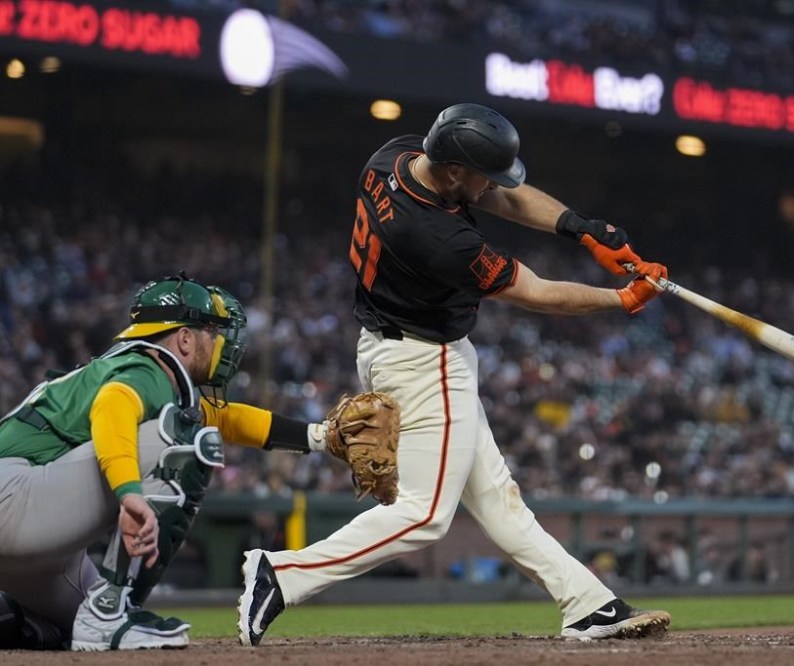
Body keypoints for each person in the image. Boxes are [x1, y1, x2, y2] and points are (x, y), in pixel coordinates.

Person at [238, 102, 671, 644]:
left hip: (399, 343)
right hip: (425, 361)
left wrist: (580, 229)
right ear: (454, 170)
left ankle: (587, 603)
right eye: (481, 176)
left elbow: (503, 195)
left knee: (496, 497)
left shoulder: (393, 156)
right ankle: (283, 574)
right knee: (424, 515)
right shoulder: (438, 239)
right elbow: (535, 292)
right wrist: (622, 298)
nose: (491, 186)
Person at [0, 275, 335, 651]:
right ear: (185, 339)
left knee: (71, 627)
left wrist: (322, 437)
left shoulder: (137, 369)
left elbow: (228, 418)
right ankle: (110, 614)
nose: (224, 343)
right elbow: (113, 405)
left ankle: (27, 616)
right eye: (213, 331)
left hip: (28, 529)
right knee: (189, 440)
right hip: (14, 495)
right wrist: (129, 494)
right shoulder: (150, 366)